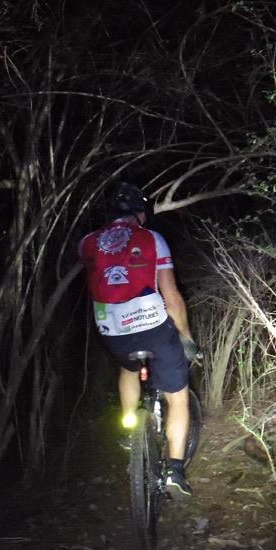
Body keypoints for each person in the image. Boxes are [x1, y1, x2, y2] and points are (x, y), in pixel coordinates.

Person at [79, 182, 198, 496]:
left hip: (111, 330)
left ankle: (129, 425)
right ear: (141, 213)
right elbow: (171, 297)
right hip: (152, 327)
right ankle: (174, 471)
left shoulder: (87, 243)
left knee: (128, 367)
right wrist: (186, 338)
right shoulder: (152, 239)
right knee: (178, 397)